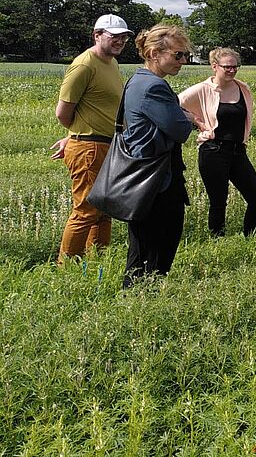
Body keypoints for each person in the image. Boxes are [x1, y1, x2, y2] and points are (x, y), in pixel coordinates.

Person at [50, 14, 132, 263]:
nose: (119, 41)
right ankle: (67, 267)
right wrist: (77, 137)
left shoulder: (111, 63)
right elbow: (63, 112)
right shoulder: (84, 65)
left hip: (107, 144)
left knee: (104, 208)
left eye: (123, 37)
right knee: (86, 210)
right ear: (97, 35)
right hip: (90, 147)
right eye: (113, 36)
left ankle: (96, 260)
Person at [121, 24, 196, 286]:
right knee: (154, 250)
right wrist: (187, 118)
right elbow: (180, 130)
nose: (183, 61)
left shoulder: (137, 80)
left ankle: (137, 302)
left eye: (185, 55)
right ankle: (139, 304)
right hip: (155, 182)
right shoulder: (154, 86)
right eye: (178, 55)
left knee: (143, 249)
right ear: (154, 53)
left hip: (147, 176)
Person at [179, 47, 256, 237]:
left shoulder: (242, 88)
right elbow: (175, 104)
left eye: (236, 67)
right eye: (227, 67)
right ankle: (217, 239)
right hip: (213, 151)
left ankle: (251, 236)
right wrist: (198, 122)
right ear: (214, 67)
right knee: (218, 201)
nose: (232, 71)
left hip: (238, 151)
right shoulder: (203, 89)